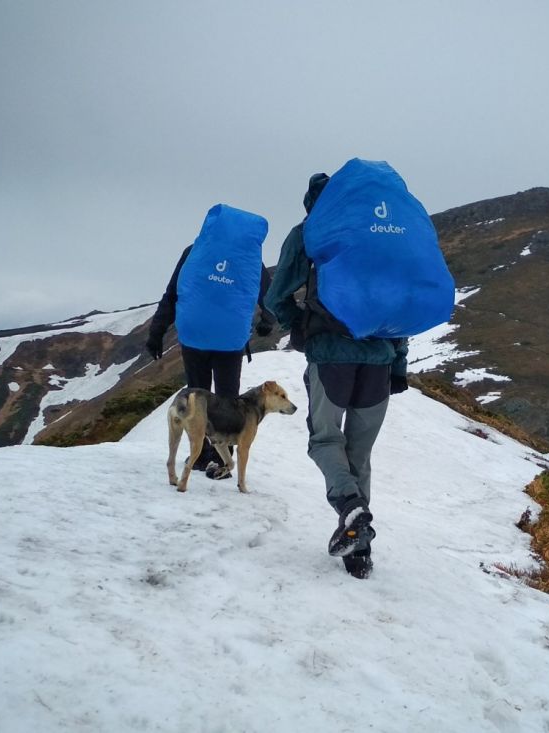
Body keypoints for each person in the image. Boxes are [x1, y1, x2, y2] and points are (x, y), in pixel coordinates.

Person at [264, 173, 409, 579]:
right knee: (358, 454)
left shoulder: (309, 230)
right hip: (379, 359)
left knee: (325, 439)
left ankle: (349, 507)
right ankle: (358, 554)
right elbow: (396, 305)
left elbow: (276, 297)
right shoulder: (380, 233)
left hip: (331, 357)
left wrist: (303, 328)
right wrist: (398, 361)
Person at [146, 205, 276, 477]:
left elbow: (172, 294)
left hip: (195, 337)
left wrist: (156, 332)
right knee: (228, 401)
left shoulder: (194, 251)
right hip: (230, 341)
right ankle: (222, 460)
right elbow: (268, 296)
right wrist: (267, 323)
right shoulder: (251, 258)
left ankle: (202, 455)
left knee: (197, 396)